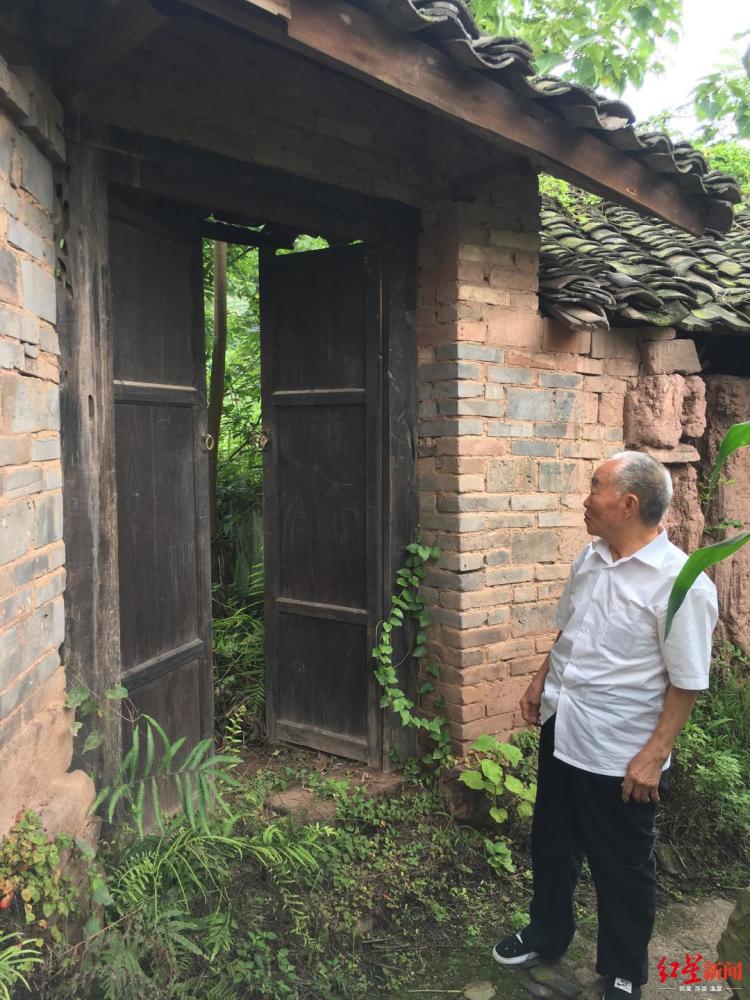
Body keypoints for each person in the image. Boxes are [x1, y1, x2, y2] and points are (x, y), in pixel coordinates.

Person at [491, 451, 718, 1000]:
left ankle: (622, 971)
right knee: (552, 842)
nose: (585, 498)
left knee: (622, 865)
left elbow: (687, 681)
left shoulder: (679, 584)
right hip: (564, 725)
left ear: (629, 503)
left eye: (595, 487)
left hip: (622, 751)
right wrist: (540, 680)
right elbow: (571, 630)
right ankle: (547, 933)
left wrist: (654, 755)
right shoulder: (590, 558)